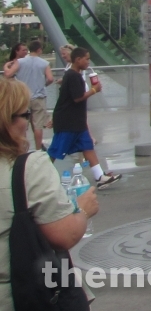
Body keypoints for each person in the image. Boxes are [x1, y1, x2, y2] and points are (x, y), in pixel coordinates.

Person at [0, 79, 99, 307]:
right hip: (17, 296)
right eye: (26, 115)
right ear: (9, 121)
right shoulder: (28, 166)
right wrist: (84, 208)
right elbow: (65, 235)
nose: (28, 123)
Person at [47, 47, 121, 189]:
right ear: (78, 59)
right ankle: (39, 175)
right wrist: (94, 90)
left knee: (87, 146)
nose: (88, 62)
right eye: (86, 59)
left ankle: (100, 176)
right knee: (56, 150)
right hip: (69, 122)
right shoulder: (73, 76)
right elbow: (77, 98)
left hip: (77, 122)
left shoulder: (72, 75)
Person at [6, 40, 53, 151]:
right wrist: (44, 85)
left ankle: (23, 149)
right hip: (39, 97)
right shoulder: (44, 63)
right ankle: (38, 149)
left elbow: (8, 74)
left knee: (23, 124)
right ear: (39, 49)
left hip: (24, 97)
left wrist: (6, 67)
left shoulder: (20, 62)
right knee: (38, 125)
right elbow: (50, 78)